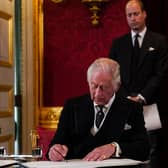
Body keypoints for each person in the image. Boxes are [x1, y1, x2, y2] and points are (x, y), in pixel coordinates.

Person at [46, 57, 150, 162]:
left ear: (116, 86)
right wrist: (54, 151)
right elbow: (56, 143)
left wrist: (114, 148)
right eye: (94, 86)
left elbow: (144, 149)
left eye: (104, 87)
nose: (98, 93)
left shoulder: (131, 108)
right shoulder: (72, 106)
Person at [109, 0, 168, 167]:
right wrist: (126, 99)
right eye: (129, 15)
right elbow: (112, 76)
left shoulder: (159, 42)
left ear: (144, 14)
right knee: (126, 151)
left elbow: (161, 74)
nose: (133, 18)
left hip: (150, 107)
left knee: (152, 153)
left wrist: (141, 97)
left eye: (136, 14)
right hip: (123, 107)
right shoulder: (118, 44)